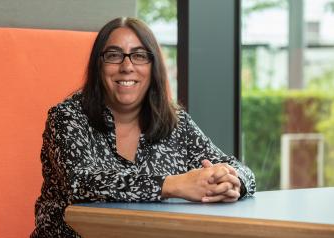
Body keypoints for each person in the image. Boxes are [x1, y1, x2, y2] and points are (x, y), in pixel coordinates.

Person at [31, 17, 256, 238]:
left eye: (139, 56)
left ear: (153, 66)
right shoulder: (67, 117)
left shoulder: (175, 122)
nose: (127, 66)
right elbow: (81, 184)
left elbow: (238, 169)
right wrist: (173, 184)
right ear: (98, 65)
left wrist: (232, 182)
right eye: (114, 56)